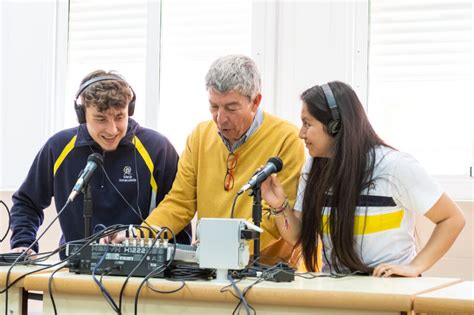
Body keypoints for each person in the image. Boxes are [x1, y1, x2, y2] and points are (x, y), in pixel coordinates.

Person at [107, 55, 305, 263]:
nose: (220, 118)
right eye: (214, 106)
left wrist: (223, 247)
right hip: (212, 267)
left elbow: (273, 218)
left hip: (268, 273)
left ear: (255, 102)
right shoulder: (200, 135)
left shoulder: (287, 139)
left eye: (231, 108)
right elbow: (179, 203)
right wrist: (138, 236)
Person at [260, 81, 465, 276]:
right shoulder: (314, 166)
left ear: (335, 127)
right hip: (339, 291)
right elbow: (297, 236)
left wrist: (415, 267)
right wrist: (279, 205)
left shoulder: (395, 166)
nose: (301, 134)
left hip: (390, 290)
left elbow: (452, 219)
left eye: (307, 124)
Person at [9, 70, 191, 256]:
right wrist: (24, 244)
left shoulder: (158, 148)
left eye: (120, 117)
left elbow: (178, 214)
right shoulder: (57, 147)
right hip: (71, 273)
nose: (112, 130)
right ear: (82, 115)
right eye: (100, 119)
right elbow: (26, 202)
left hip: (143, 277)